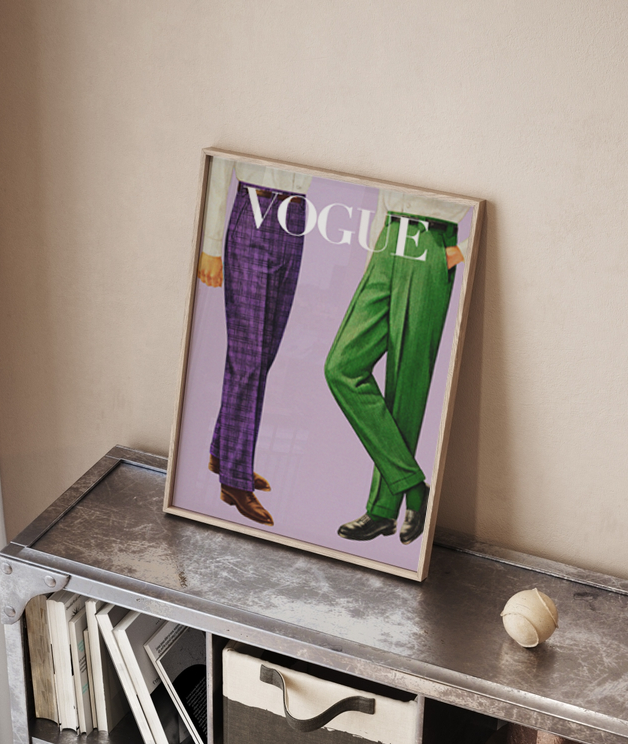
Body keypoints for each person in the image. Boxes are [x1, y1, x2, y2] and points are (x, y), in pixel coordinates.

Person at [324, 192, 470, 545]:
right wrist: (372, 259)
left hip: (432, 243)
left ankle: (382, 511)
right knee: (341, 367)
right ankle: (414, 487)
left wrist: (460, 250)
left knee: (408, 383)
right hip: (387, 238)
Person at [197, 158, 311, 526]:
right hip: (255, 207)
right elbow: (221, 163)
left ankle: (223, 452)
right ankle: (234, 480)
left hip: (297, 217)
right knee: (247, 358)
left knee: (263, 355)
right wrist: (211, 245)